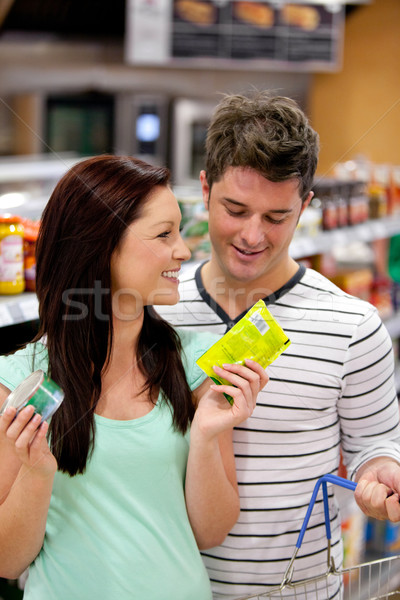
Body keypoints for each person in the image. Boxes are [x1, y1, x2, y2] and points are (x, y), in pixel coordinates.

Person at [156, 91, 400, 599]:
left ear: (306, 207)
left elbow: (375, 447)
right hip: (170, 586)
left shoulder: (353, 325)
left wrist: (383, 481)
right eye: (236, 209)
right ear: (203, 189)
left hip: (300, 591)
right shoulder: (158, 310)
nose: (252, 235)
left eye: (276, 217)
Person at [0, 155, 268, 600]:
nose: (183, 250)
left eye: (179, 231)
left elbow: (210, 531)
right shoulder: (23, 382)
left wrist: (204, 435)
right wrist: (36, 473)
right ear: (100, 247)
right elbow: (7, 561)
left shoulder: (194, 364)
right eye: (164, 234)